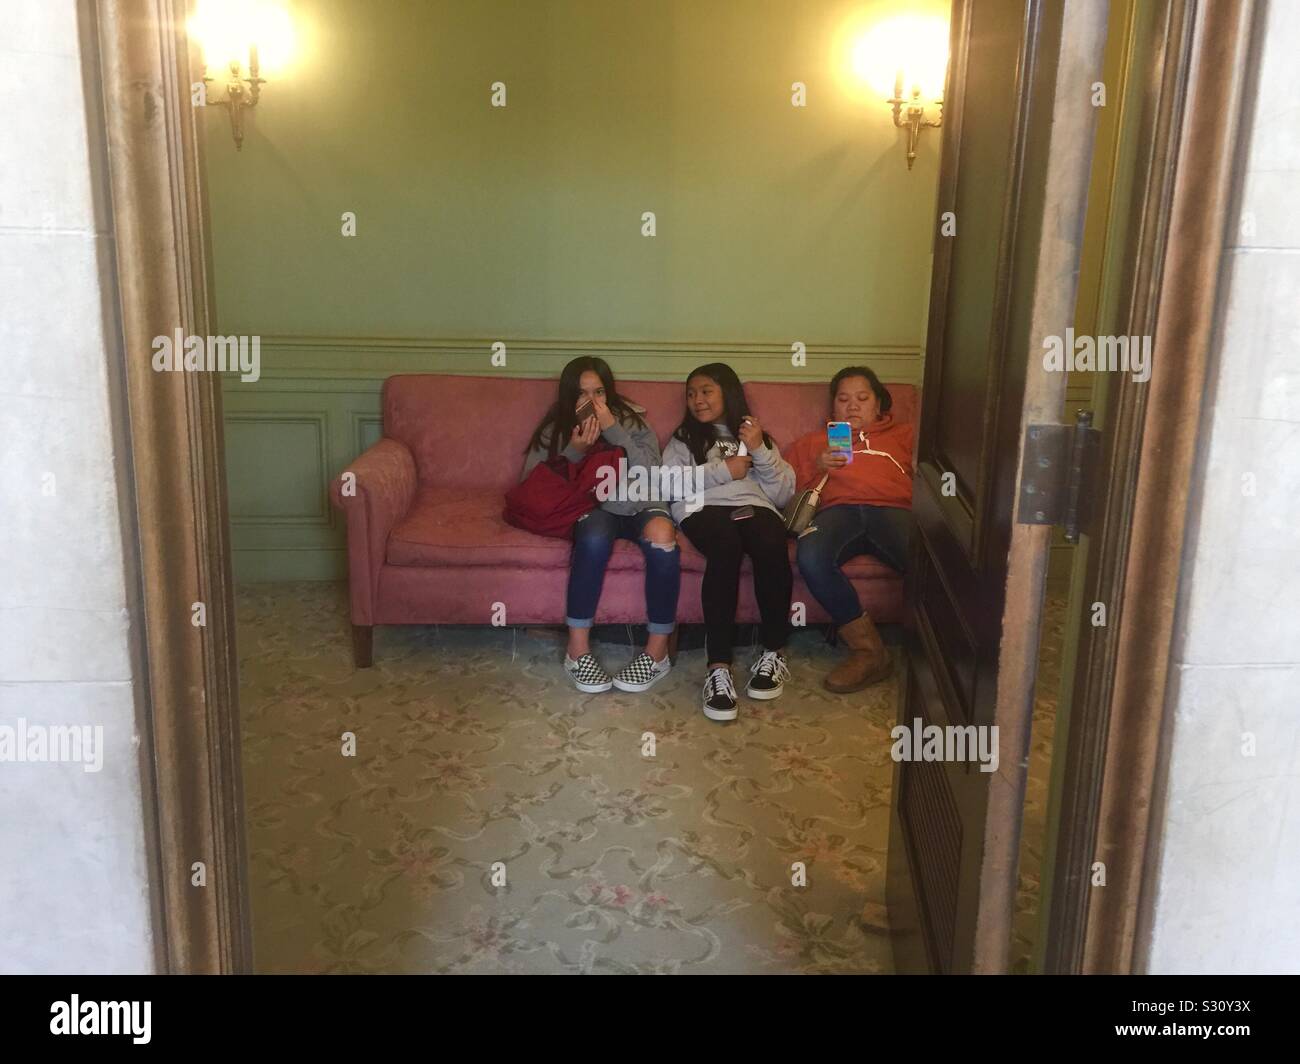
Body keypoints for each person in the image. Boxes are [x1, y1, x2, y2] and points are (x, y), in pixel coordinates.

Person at [522, 356, 680, 694]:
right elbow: (531, 483)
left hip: (642, 500)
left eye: (599, 392)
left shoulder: (632, 422)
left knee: (663, 539)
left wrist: (613, 427)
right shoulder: (557, 428)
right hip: (596, 505)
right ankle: (577, 651)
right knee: (592, 540)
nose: (592, 401)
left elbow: (653, 471)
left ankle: (657, 653)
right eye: (582, 394)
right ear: (569, 397)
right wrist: (574, 450)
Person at [661, 363, 796, 721]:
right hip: (703, 508)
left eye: (706, 391)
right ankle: (718, 668)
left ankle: (773, 652)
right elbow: (669, 484)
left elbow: (782, 494)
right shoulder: (683, 438)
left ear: (728, 393)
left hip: (755, 506)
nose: (697, 400)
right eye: (691, 393)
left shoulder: (756, 436)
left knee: (771, 540)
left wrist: (761, 452)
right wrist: (725, 471)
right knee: (725, 545)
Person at [784, 366, 913, 692]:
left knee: (928, 558)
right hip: (835, 512)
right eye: (843, 399)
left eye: (862, 398)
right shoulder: (814, 443)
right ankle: (870, 652)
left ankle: (942, 647)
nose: (852, 406)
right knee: (810, 554)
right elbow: (783, 490)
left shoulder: (904, 435)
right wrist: (817, 468)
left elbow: (935, 475)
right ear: (833, 407)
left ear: (878, 405)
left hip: (893, 509)